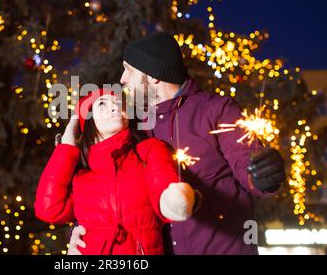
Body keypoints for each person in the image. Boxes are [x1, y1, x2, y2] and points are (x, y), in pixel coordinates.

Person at [68, 32, 285, 255]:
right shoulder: (135, 125)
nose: (122, 79)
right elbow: (109, 186)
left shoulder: (216, 110)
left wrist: (263, 175)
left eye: (129, 70)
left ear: (152, 76)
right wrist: (81, 229)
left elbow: (246, 159)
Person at [34, 88, 195, 255]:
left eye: (119, 103)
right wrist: (67, 145)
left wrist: (174, 198)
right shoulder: (81, 175)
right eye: (102, 103)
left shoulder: (147, 151)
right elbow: (48, 210)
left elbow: (163, 187)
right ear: (88, 120)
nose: (115, 107)